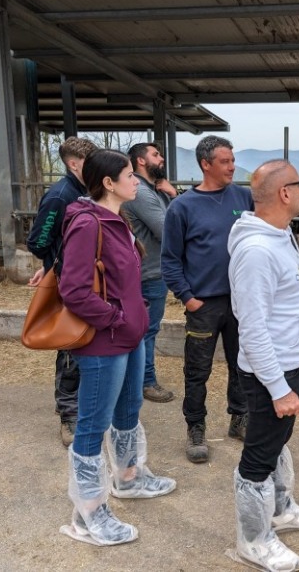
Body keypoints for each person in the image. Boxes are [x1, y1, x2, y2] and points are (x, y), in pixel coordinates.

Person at [57, 149, 176, 546]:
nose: (136, 181)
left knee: (128, 412)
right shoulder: (88, 223)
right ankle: (86, 514)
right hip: (106, 342)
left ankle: (129, 477)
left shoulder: (117, 219)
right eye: (129, 174)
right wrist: (116, 319)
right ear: (108, 183)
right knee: (91, 427)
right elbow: (73, 290)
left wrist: (131, 320)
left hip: (130, 335)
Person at [226, 159, 299, 572]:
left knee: (278, 441)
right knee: (258, 457)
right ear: (284, 193)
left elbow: (289, 304)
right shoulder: (257, 250)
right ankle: (254, 540)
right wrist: (279, 388)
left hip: (289, 362)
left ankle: (280, 511)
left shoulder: (280, 236)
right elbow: (253, 327)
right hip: (270, 374)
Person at [161, 135, 253, 463]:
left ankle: (239, 418)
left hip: (241, 301)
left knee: (243, 365)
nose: (232, 167)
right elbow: (170, 259)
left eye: (232, 160)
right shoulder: (182, 207)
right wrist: (187, 297)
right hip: (203, 304)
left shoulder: (244, 197)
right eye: (225, 162)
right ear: (205, 164)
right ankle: (196, 427)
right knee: (197, 369)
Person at [26, 136, 97, 447]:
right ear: (74, 164)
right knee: (70, 344)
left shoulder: (86, 192)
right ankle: (68, 414)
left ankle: (85, 407)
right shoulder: (60, 197)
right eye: (89, 164)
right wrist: (53, 263)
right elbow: (38, 240)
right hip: (69, 284)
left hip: (87, 281)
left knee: (86, 344)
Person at [122, 142, 175, 404]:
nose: (161, 158)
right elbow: (167, 229)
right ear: (141, 161)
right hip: (150, 273)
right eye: (156, 155)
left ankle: (136, 378)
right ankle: (146, 381)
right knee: (147, 330)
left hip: (147, 270)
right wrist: (175, 196)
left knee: (143, 329)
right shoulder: (141, 193)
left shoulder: (150, 190)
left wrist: (168, 193)